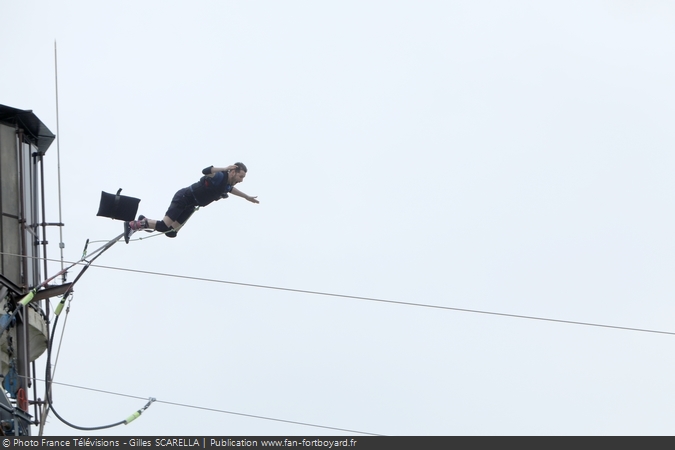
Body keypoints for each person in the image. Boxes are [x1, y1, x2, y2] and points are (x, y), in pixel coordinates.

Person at [124, 163, 258, 243]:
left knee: (171, 233)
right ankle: (133, 225)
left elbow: (232, 190)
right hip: (185, 197)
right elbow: (205, 171)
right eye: (240, 176)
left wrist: (247, 197)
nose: (241, 180)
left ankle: (144, 221)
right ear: (233, 171)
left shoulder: (226, 186)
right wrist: (224, 168)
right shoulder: (220, 176)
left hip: (190, 206)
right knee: (163, 226)